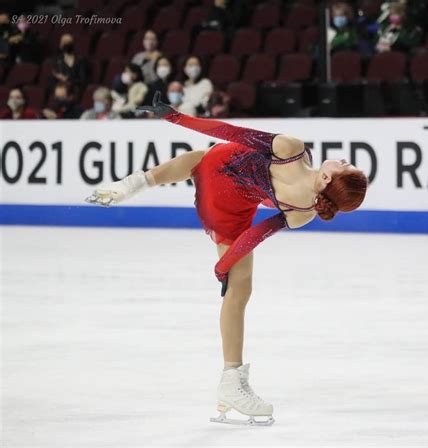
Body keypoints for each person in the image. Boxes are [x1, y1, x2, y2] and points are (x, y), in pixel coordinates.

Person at [84, 92, 368, 426]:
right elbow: (253, 237)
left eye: (345, 167)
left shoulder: (291, 149)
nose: (342, 160)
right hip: (228, 206)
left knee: (201, 159)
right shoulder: (304, 212)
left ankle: (138, 181)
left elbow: (227, 131)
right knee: (240, 290)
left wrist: (174, 117)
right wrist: (223, 268)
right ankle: (231, 379)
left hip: (224, 173)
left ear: (325, 180)